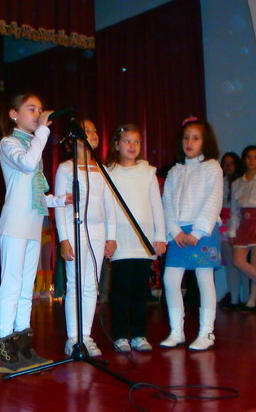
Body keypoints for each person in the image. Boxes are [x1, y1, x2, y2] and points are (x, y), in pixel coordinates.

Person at [0, 93, 72, 374]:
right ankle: (4, 351)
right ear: (14, 114)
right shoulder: (9, 143)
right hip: (14, 225)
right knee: (11, 285)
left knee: (27, 287)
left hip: (33, 224)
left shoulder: (33, 144)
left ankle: (23, 347)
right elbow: (26, 164)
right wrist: (43, 132)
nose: (38, 114)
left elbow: (34, 192)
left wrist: (59, 200)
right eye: (31, 109)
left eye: (40, 109)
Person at [54, 119, 117, 358]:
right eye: (87, 130)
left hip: (98, 232)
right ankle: (73, 338)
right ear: (75, 138)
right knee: (75, 284)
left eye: (94, 130)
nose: (92, 133)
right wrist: (64, 238)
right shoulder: (66, 169)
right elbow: (60, 205)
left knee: (91, 285)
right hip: (75, 229)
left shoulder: (102, 169)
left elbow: (110, 205)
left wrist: (111, 236)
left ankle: (87, 336)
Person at [161, 118, 223, 351]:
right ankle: (176, 331)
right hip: (178, 233)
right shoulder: (175, 171)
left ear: (205, 141)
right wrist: (175, 231)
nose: (190, 142)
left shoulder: (212, 167)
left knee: (204, 279)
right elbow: (167, 203)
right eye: (186, 137)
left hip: (202, 232)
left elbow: (213, 201)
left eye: (195, 138)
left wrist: (197, 232)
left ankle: (206, 332)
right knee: (170, 279)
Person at [105, 123, 167, 353]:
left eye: (136, 142)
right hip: (121, 239)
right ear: (116, 145)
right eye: (127, 141)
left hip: (143, 238)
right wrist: (109, 237)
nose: (132, 146)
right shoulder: (108, 172)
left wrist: (160, 237)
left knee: (140, 290)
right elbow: (108, 208)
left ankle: (139, 334)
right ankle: (120, 335)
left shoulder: (147, 172)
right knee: (121, 290)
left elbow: (157, 205)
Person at [228, 145, 256, 310]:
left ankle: (252, 301)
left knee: (255, 262)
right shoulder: (237, 183)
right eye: (249, 157)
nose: (252, 161)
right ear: (244, 159)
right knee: (238, 261)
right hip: (243, 223)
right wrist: (232, 231)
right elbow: (234, 210)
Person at [217, 152, 245, 308]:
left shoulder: (240, 183)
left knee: (237, 264)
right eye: (225, 163)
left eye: (231, 163)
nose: (228, 166)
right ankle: (234, 297)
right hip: (223, 226)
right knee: (230, 264)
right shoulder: (221, 182)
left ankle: (239, 298)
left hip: (236, 226)